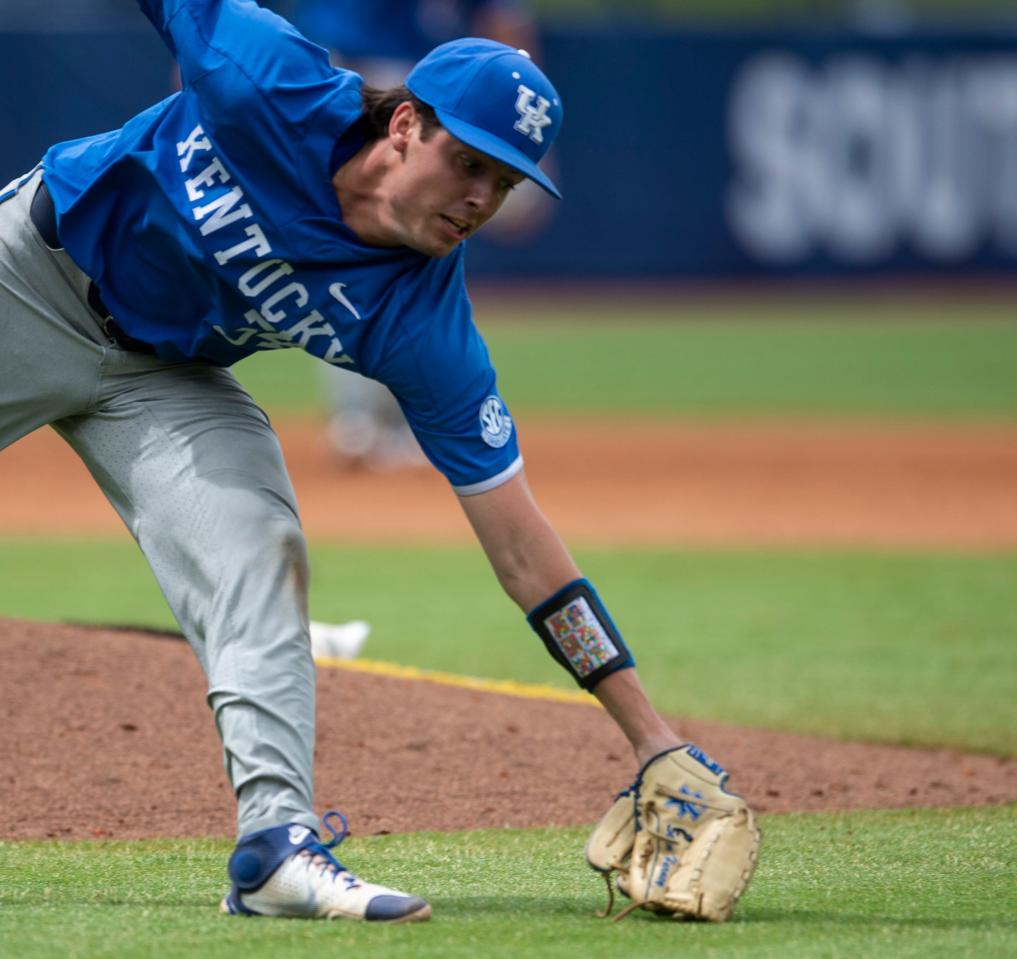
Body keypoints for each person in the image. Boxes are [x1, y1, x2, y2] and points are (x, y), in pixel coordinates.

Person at [0, 0, 756, 925]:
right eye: (467, 161)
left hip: (169, 378)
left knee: (261, 551)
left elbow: (523, 551)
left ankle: (276, 851)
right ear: (405, 124)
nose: (480, 196)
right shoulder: (266, 80)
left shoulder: (425, 324)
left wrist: (651, 734)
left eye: (506, 181)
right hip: (34, 281)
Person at [292, 0, 555, 471]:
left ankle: (366, 421)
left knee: (371, 258)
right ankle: (372, 420)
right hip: (402, 89)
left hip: (433, 90)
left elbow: (502, 21)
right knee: (376, 258)